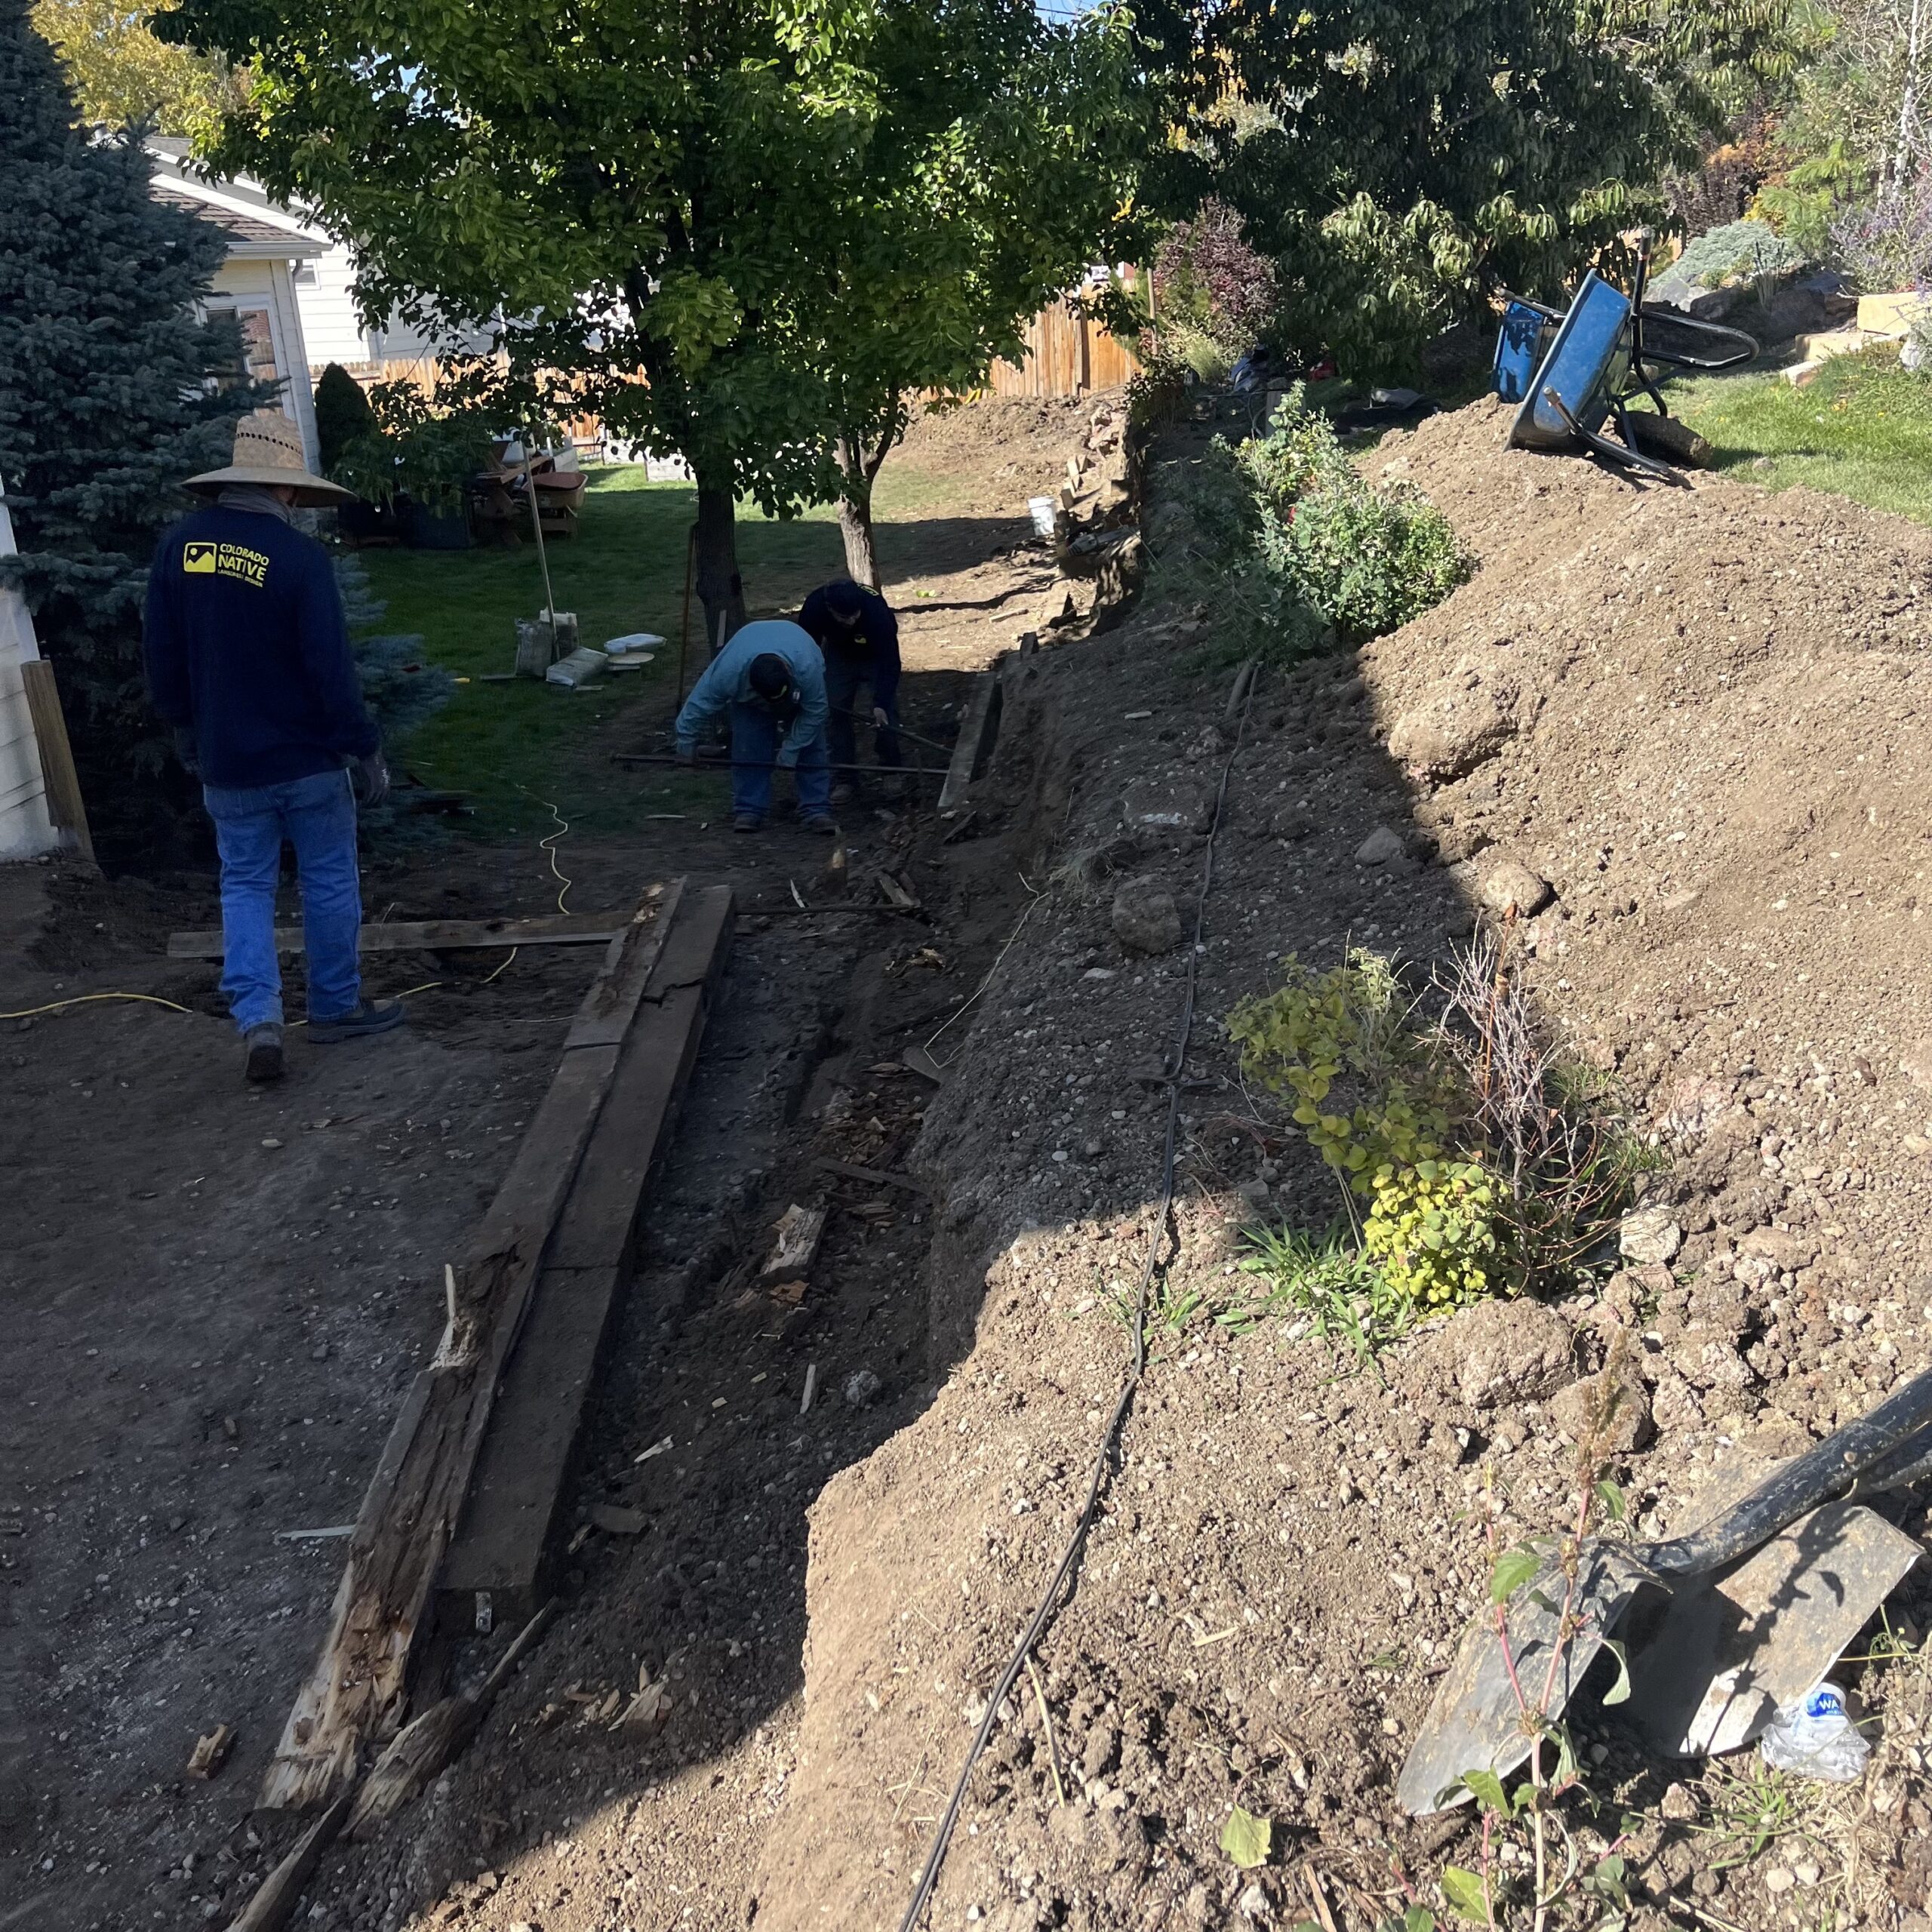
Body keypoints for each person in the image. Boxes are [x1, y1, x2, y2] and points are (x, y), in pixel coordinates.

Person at [143, 410, 404, 1085]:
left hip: (227, 761)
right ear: (286, 488)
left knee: (246, 884)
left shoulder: (179, 547)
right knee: (326, 879)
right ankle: (335, 1007)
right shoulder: (298, 558)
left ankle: (260, 1021)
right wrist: (363, 747)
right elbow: (330, 667)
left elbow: (162, 654)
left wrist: (182, 726)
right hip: (309, 762)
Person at [673, 617, 833, 834]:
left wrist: (792, 749)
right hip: (752, 698)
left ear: (787, 670)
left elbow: (815, 712)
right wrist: (685, 742)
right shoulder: (729, 672)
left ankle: (816, 809)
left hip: (797, 679)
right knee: (749, 746)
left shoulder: (807, 667)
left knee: (811, 746)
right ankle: (749, 809)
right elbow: (699, 703)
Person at [797, 577, 900, 804]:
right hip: (839, 656)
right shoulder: (814, 607)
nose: (852, 621)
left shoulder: (876, 612)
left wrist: (880, 702)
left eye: (856, 615)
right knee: (835, 713)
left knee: (887, 714)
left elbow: (891, 661)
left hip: (876, 656)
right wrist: (809, 683)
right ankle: (845, 777)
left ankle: (891, 769)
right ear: (830, 609)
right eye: (845, 617)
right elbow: (805, 648)